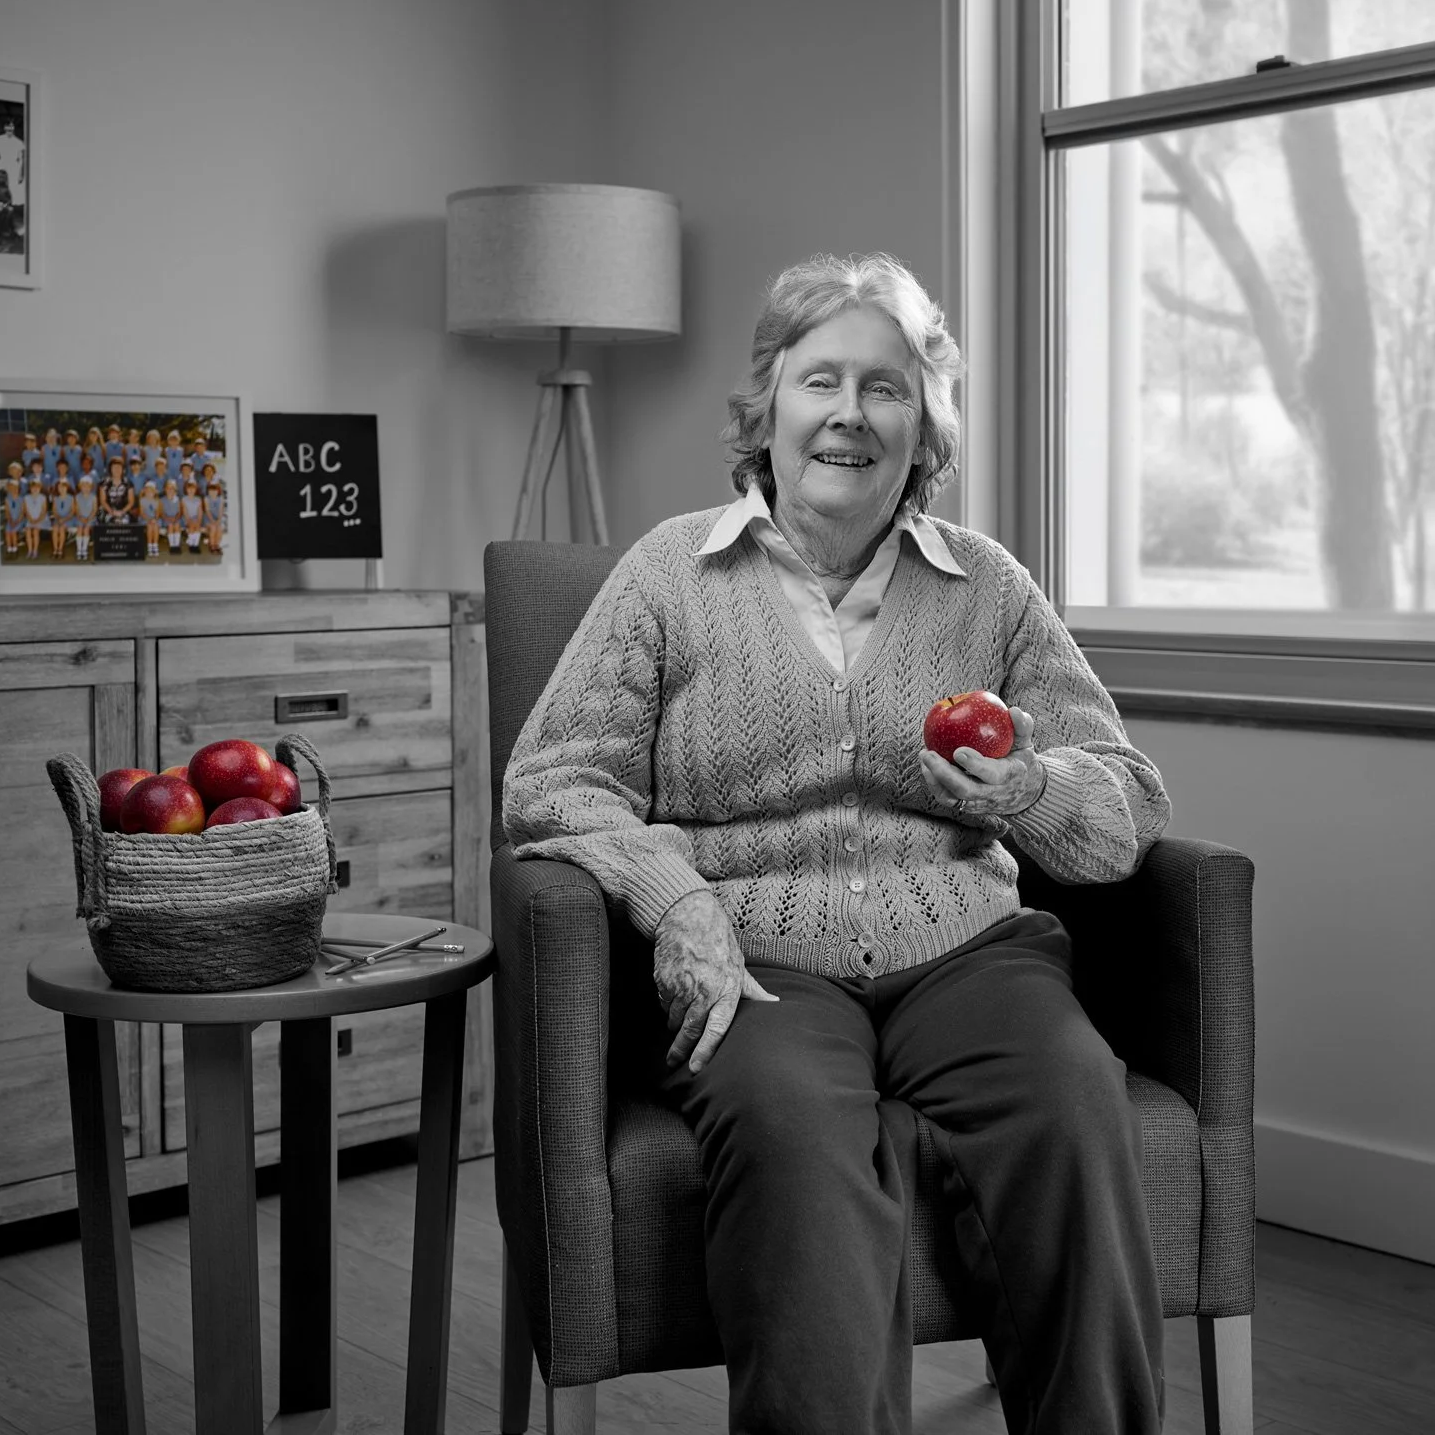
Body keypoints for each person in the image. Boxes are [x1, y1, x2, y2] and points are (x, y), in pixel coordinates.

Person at [501, 252, 1172, 1435]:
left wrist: (1027, 786)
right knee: (796, 1135)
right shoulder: (668, 574)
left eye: (886, 387)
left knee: (1072, 1102)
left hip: (969, 954)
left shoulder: (987, 587)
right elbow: (553, 781)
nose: (849, 414)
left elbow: (1124, 807)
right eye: (821, 381)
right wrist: (674, 900)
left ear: (924, 427)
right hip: (756, 963)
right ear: (767, 408)